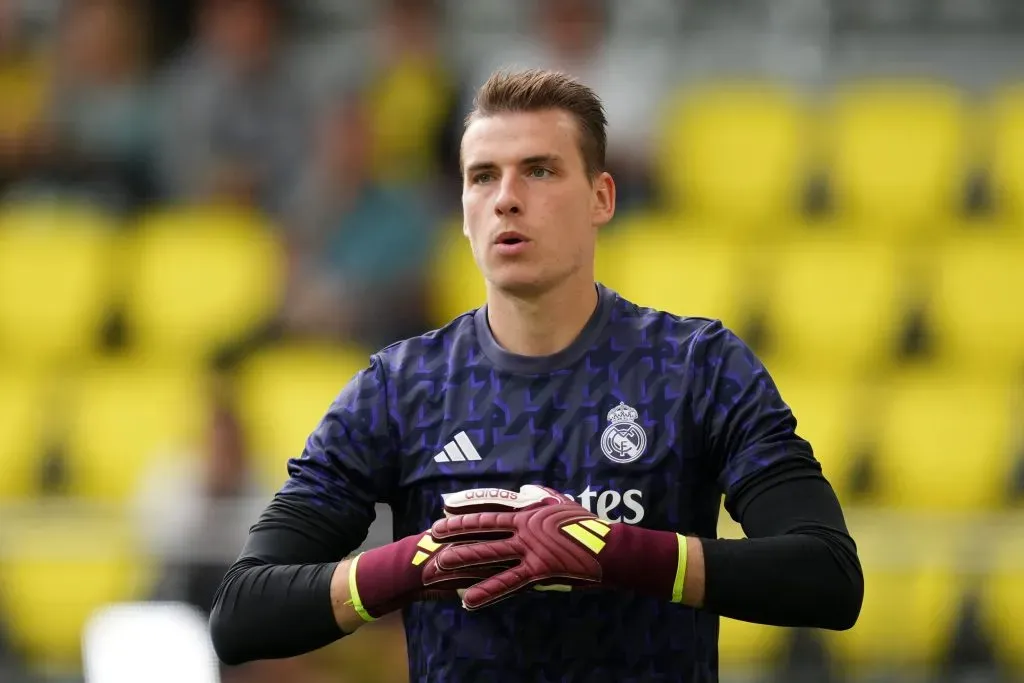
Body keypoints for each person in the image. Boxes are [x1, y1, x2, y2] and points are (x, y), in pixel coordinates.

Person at [209, 68, 864, 682]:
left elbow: (828, 575)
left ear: (600, 197)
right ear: (462, 209)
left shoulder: (696, 367)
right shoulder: (401, 388)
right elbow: (241, 611)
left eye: (540, 171)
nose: (506, 200)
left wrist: (613, 553)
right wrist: (414, 563)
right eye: (482, 177)